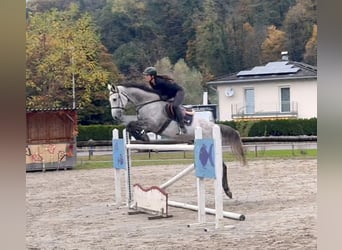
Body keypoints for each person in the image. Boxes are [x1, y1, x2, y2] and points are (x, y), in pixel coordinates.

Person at [143, 66, 187, 134]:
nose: (145, 77)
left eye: (147, 75)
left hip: (179, 92)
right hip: (170, 93)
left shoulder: (160, 82)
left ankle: (182, 126)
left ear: (152, 76)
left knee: (175, 106)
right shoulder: (152, 82)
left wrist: (164, 98)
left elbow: (167, 93)